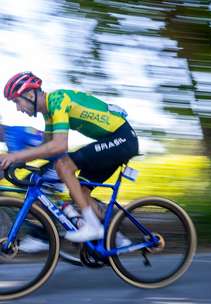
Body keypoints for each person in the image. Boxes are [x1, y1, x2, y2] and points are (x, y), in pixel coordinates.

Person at [1, 71, 139, 242]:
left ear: (30, 94)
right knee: (80, 193)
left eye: (17, 101)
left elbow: (59, 146)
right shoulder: (49, 114)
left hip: (123, 138)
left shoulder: (57, 100)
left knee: (63, 165)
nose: (18, 108)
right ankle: (115, 238)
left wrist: (15, 156)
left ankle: (93, 227)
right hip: (113, 141)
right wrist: (13, 160)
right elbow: (45, 149)